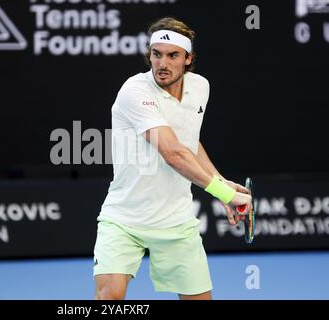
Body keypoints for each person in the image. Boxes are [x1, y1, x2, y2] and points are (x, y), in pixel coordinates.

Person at [93, 17, 252, 300]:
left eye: (172, 55)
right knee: (110, 297)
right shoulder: (135, 91)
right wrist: (225, 193)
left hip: (176, 221)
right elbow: (173, 153)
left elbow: (189, 143)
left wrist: (221, 183)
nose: (162, 64)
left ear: (188, 59)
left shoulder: (200, 87)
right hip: (123, 219)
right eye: (156, 54)